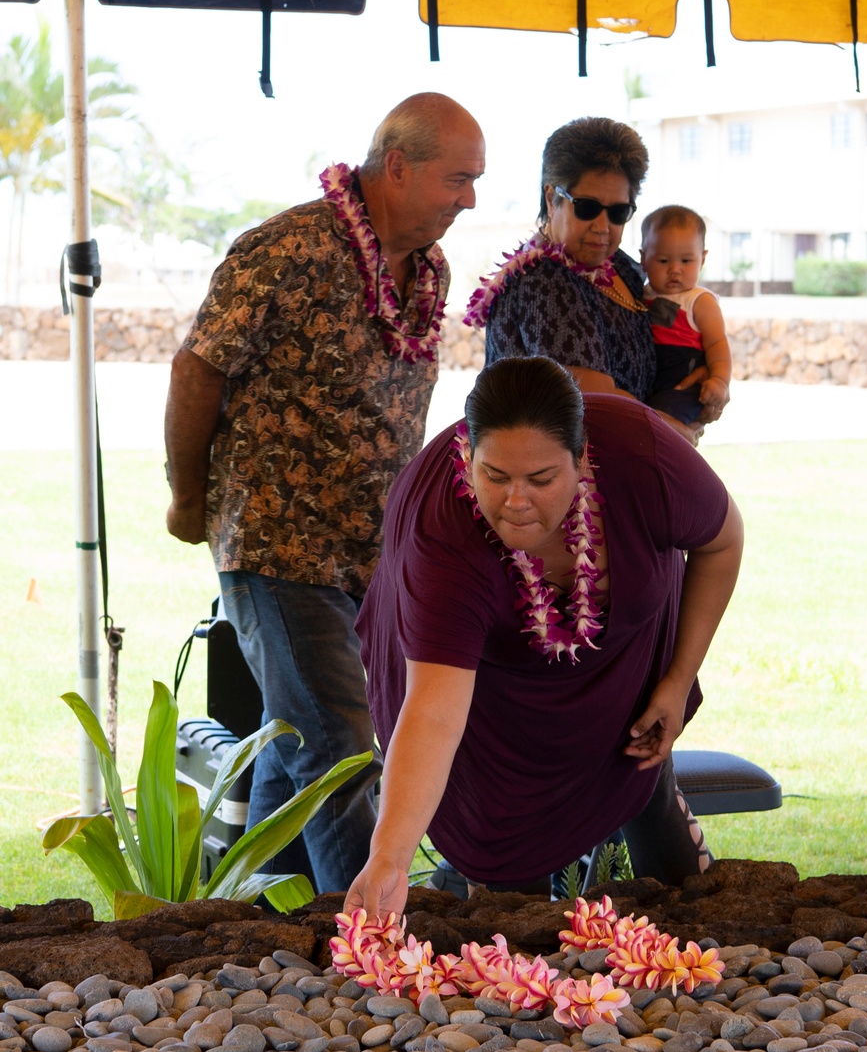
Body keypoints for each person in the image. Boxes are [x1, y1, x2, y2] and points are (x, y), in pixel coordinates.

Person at [164, 92, 486, 894]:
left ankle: (258, 920)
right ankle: (372, 945)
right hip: (279, 544)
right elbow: (196, 369)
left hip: (374, 555)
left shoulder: (432, 268)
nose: (470, 199)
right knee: (342, 746)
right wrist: (188, 497)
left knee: (296, 750)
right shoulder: (286, 249)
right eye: (458, 179)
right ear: (399, 166)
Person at [347, 357, 743, 916]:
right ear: (466, 456)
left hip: (619, 660)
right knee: (504, 864)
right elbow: (434, 712)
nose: (516, 501)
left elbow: (721, 543)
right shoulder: (441, 534)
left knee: (644, 771)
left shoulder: (645, 457)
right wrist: (387, 856)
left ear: (583, 460)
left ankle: (692, 942)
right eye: (496, 476)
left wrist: (677, 680)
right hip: (485, 701)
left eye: (541, 479)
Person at [468, 117, 723, 441]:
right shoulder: (540, 281)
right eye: (587, 208)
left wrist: (702, 374)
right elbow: (597, 402)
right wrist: (676, 435)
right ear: (551, 199)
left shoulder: (623, 267)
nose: (603, 226)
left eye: (618, 212)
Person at [641, 205, 732, 426]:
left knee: (660, 424)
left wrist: (719, 380)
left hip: (685, 384)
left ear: (702, 259)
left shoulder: (700, 301)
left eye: (686, 261)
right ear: (643, 259)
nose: (675, 269)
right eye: (663, 261)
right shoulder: (641, 294)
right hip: (651, 381)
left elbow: (717, 343)